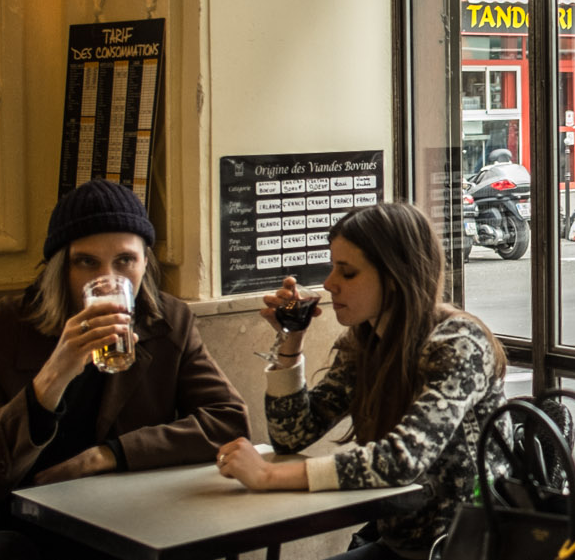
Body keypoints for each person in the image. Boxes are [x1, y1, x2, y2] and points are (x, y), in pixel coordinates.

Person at [0, 180, 248, 560]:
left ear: (145, 262)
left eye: (124, 260)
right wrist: (52, 377)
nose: (108, 280)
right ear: (61, 268)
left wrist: (107, 456)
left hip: (119, 516)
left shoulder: (168, 322)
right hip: (8, 522)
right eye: (86, 262)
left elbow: (229, 420)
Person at [216, 203, 507, 560]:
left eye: (348, 273)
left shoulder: (459, 342)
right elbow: (292, 435)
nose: (328, 283)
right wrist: (291, 342)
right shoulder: (365, 342)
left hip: (465, 550)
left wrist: (267, 476)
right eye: (332, 268)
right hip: (402, 546)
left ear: (396, 277)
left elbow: (404, 458)